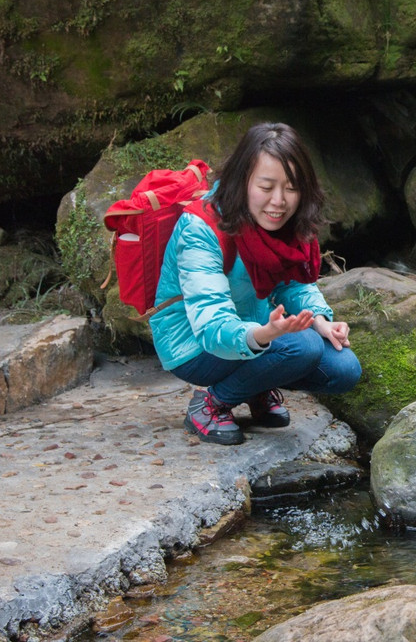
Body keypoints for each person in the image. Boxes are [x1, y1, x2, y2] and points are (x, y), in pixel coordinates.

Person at [150, 122, 361, 445]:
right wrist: (266, 335)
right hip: (193, 343)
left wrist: (320, 321)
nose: (279, 201)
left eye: (291, 188)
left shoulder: (282, 221)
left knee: (344, 368)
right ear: (242, 180)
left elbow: (294, 284)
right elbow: (210, 323)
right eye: (266, 187)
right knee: (301, 347)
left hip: (255, 327)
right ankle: (211, 404)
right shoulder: (201, 228)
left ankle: (256, 385)